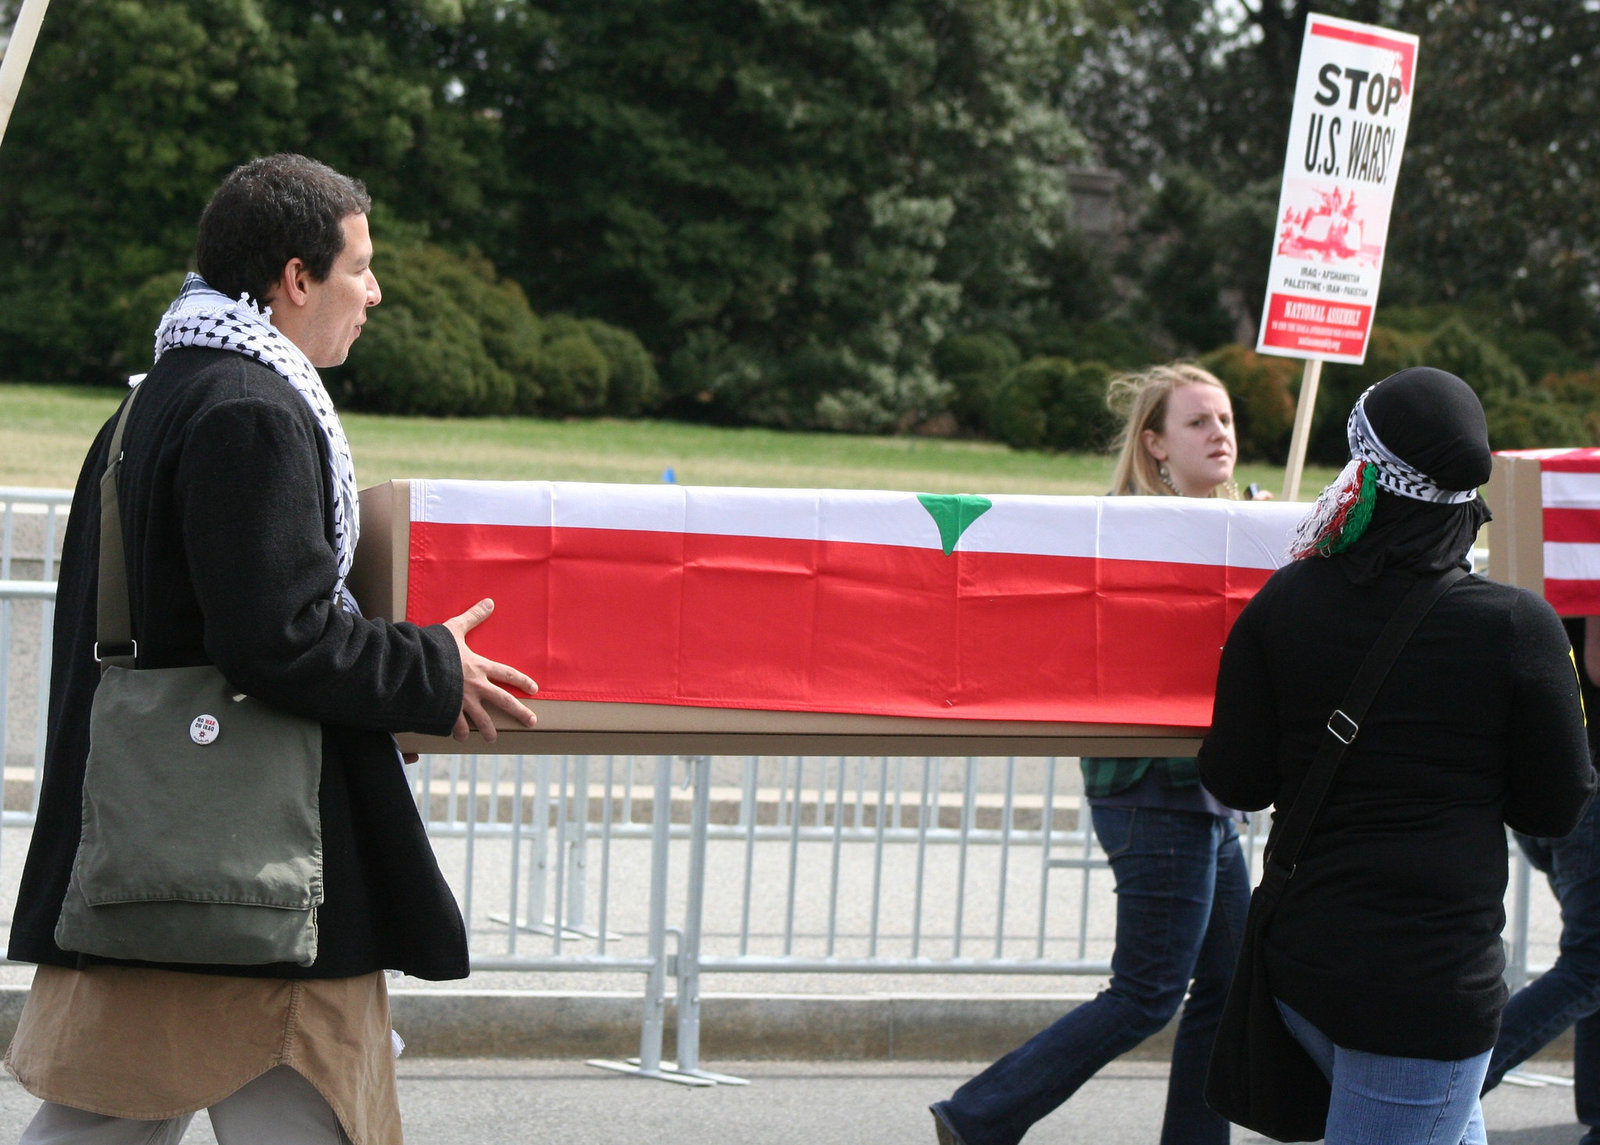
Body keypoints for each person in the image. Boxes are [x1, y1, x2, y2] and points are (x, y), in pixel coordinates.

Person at [4, 154, 538, 1145]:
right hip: (255, 870)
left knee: (104, 1120)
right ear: (296, 277)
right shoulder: (250, 411)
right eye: (360, 269)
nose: (373, 293)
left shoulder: (158, 398)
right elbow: (277, 636)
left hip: (164, 853)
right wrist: (430, 668)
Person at [1198, 367, 1596, 1145]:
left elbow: (1234, 777)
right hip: (1424, 991)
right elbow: (1554, 804)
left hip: (1300, 966)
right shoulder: (1519, 626)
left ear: (1361, 474)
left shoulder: (1285, 600)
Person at [930, 363, 1265, 1145]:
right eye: (1198, 422)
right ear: (1155, 445)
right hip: (1153, 787)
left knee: (1226, 982)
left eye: (1225, 419)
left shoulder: (1230, 528)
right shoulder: (1122, 532)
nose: (1220, 434)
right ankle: (978, 1115)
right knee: (1148, 992)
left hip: (1210, 794)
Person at [1480, 614, 1600, 1143]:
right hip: (1586, 786)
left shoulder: (1555, 549)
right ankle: (1456, 1079)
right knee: (1592, 965)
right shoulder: (1584, 551)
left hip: (1556, 780)